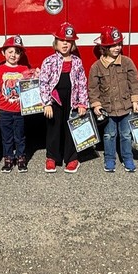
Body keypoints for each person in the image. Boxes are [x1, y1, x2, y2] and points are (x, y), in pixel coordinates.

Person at [87, 26, 138, 173]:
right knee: (109, 135)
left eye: (119, 44)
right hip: (108, 109)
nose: (117, 48)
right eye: (113, 45)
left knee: (126, 134)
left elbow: (134, 82)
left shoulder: (127, 62)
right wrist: (96, 105)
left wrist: (135, 101)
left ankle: (127, 158)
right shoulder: (96, 67)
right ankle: (110, 159)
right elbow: (93, 88)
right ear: (104, 47)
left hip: (125, 107)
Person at [38, 22, 89, 173]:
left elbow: (81, 83)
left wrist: (82, 103)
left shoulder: (77, 62)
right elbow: (43, 82)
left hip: (72, 100)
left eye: (68, 41)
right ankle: (52, 157)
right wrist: (46, 102)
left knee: (71, 128)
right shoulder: (49, 61)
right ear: (56, 42)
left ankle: (72, 158)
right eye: (62, 41)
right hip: (55, 100)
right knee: (54, 128)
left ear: (72, 44)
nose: (65, 44)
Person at [0, 35, 31, 173]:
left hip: (20, 110)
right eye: (10, 52)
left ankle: (21, 157)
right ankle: (8, 158)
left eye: (17, 52)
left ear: (21, 54)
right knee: (6, 137)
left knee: (20, 136)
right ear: (3, 53)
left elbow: (30, 86)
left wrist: (35, 74)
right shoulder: (0, 69)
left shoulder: (24, 69)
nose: (13, 55)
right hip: (4, 110)